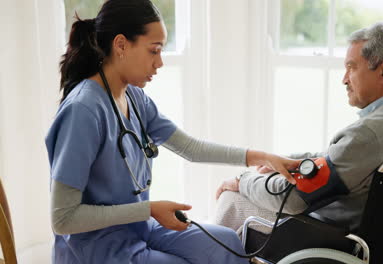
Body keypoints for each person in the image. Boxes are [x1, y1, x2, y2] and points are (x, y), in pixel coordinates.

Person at [45, 0, 301, 263]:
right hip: (97, 247)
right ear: (121, 45)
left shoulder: (134, 98)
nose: (160, 63)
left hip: (139, 228)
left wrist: (263, 157)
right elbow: (63, 219)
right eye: (153, 51)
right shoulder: (83, 111)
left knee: (226, 241)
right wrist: (149, 209)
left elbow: (191, 148)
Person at [215, 23, 383, 235]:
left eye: (351, 67)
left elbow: (292, 199)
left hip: (328, 234)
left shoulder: (369, 134)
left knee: (232, 200)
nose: (344, 79)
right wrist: (286, 162)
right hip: (376, 236)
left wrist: (242, 181)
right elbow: (336, 160)